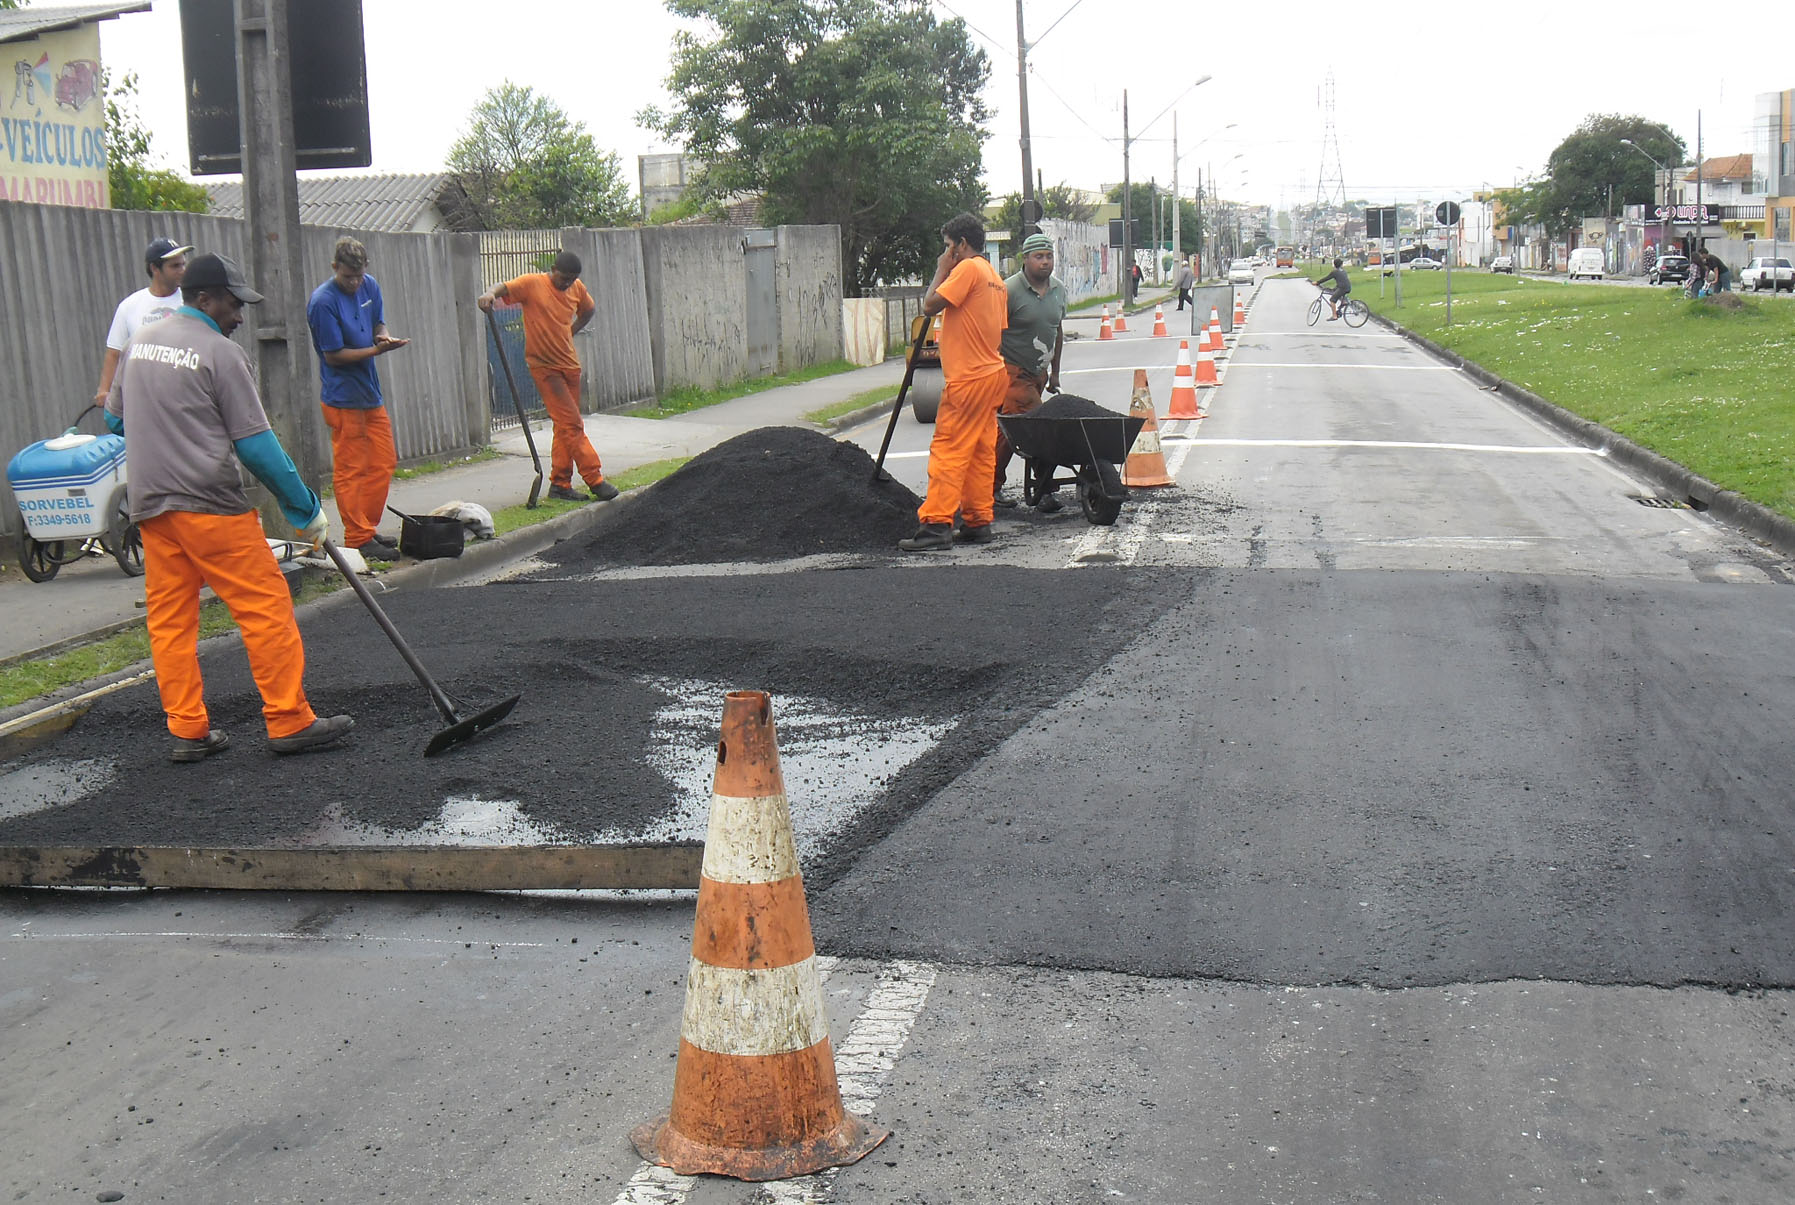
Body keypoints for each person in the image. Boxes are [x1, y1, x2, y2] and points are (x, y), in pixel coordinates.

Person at [104, 253, 354, 763]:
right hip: (210, 507)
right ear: (204, 299)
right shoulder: (221, 354)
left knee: (171, 622)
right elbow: (256, 446)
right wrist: (304, 507)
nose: (240, 315)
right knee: (265, 608)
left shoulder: (138, 345)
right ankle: (289, 720)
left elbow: (115, 421)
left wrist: (167, 428)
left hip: (152, 509)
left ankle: (187, 730)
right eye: (233, 304)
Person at [898, 213, 1009, 552]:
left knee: (949, 449)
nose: (947, 252)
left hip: (969, 378)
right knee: (979, 452)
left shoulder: (967, 269)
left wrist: (940, 269)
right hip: (993, 374)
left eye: (949, 246)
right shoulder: (994, 278)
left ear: (961, 244)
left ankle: (935, 525)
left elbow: (930, 305)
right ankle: (977, 520)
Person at [477, 251, 618, 503]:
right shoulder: (532, 283)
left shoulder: (577, 287)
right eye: (563, 278)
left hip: (570, 366)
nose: (567, 283)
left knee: (565, 427)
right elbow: (503, 287)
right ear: (553, 269)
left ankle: (560, 484)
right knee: (572, 424)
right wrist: (489, 294)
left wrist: (570, 332)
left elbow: (588, 310)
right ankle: (595, 479)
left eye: (571, 279)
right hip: (545, 368)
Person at [306, 236, 410, 563]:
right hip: (342, 398)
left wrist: (382, 335)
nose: (354, 283)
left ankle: (367, 527)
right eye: (348, 276)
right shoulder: (323, 302)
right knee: (351, 470)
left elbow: (378, 320)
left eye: (359, 276)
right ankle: (358, 537)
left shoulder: (369, 286)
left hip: (369, 393)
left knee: (383, 461)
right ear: (334, 267)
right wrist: (377, 351)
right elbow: (333, 355)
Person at [993, 232, 1066, 513]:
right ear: (1025, 259)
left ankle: (988, 486)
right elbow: (993, 331)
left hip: (1038, 374)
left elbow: (1057, 331)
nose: (1045, 262)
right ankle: (1044, 490)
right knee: (1039, 427)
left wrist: (1054, 374)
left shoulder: (1058, 290)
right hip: (1012, 373)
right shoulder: (1009, 291)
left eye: (1049, 256)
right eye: (1039, 257)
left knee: (1009, 432)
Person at [94, 237, 191, 406]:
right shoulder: (130, 306)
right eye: (175, 266)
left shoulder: (192, 301)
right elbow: (114, 353)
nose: (182, 270)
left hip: (184, 397)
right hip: (142, 400)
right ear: (154, 268)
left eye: (183, 264)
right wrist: (104, 390)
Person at [1311, 256, 1352, 320]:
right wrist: (1334, 288)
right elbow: (1342, 281)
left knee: (1332, 301)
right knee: (1335, 291)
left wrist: (1317, 282)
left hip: (1342, 288)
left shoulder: (1335, 272)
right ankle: (1344, 301)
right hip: (1348, 287)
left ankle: (1334, 316)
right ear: (1341, 264)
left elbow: (1326, 278)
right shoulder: (1343, 271)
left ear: (1334, 265)